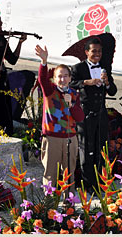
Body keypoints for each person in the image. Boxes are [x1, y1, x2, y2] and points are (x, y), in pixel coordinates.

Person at [70, 38, 117, 192]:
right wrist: (86, 82)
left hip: (101, 113)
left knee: (101, 148)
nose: (97, 54)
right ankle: (87, 183)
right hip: (85, 113)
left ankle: (101, 182)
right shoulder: (78, 68)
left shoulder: (105, 67)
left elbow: (113, 91)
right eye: (94, 51)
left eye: (99, 51)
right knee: (86, 149)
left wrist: (108, 82)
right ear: (86, 52)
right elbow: (70, 83)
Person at [35, 45, 84, 189]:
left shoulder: (74, 94)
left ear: (70, 78)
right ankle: (49, 205)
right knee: (50, 174)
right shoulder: (50, 91)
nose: (62, 79)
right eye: (59, 76)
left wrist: (71, 104)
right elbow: (42, 79)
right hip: (52, 138)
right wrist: (44, 62)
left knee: (69, 174)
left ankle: (69, 206)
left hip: (70, 138)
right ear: (54, 79)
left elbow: (80, 117)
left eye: (65, 76)